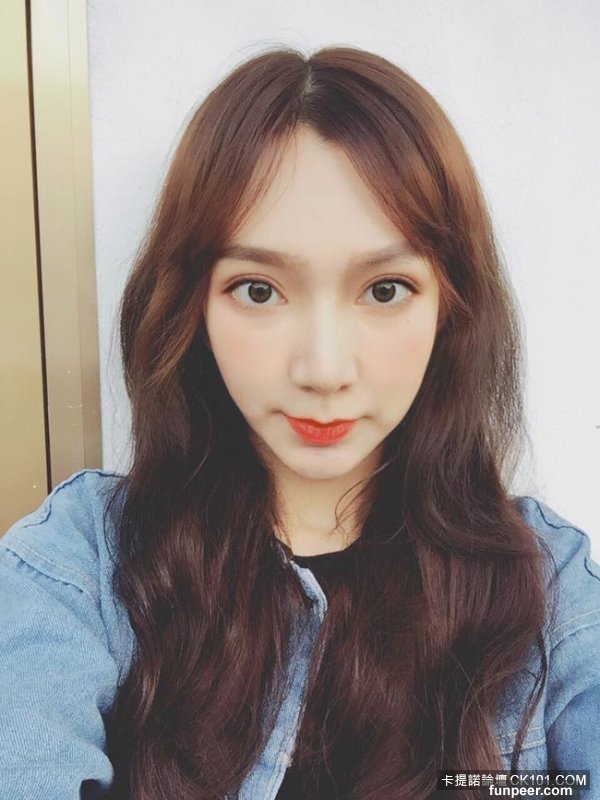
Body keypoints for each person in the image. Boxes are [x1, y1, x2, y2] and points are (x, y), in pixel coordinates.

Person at [1, 45, 599, 800]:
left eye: (385, 289)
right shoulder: (77, 566)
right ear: (192, 305)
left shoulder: (549, 589)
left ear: (452, 308)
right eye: (258, 290)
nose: (323, 368)